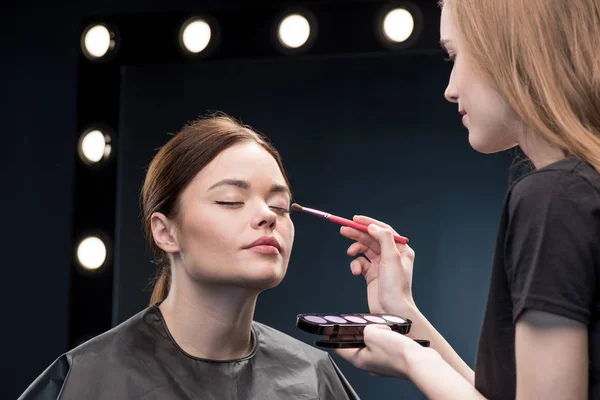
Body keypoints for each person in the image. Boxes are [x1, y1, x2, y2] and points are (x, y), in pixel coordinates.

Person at [333, 0, 600, 399]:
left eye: (455, 56)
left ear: (512, 51)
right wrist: (405, 315)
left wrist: (411, 359)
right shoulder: (578, 192)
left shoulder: (553, 199)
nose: (450, 88)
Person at [19, 113, 359, 400]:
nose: (267, 216)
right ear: (166, 232)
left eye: (279, 205)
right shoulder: (85, 379)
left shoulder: (313, 378)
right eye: (230, 200)